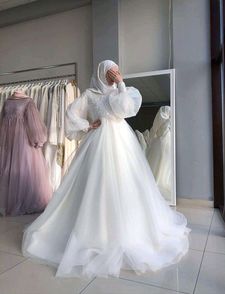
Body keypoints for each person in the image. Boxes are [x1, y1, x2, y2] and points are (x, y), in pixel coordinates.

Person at [22, 60, 191, 279]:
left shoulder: (122, 91)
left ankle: (129, 230)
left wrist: (121, 83)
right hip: (98, 141)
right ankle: (95, 232)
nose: (114, 74)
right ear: (102, 73)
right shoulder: (90, 94)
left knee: (124, 182)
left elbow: (128, 109)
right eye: (110, 72)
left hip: (122, 142)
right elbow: (71, 113)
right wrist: (86, 125)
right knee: (97, 183)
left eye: (116, 71)